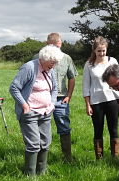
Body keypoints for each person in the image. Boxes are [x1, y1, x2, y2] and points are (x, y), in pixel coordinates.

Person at [9, 45, 64, 176]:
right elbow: (14, 88)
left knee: (45, 143)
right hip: (30, 112)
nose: (54, 66)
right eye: (52, 63)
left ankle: (42, 172)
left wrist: (51, 103)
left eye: (55, 63)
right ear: (43, 59)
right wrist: (24, 105)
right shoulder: (29, 68)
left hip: (46, 112)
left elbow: (55, 88)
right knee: (33, 144)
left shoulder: (50, 69)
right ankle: (30, 175)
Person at [33, 33, 78, 161]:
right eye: (53, 46)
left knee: (64, 126)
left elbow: (72, 77)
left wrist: (68, 95)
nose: (56, 49)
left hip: (60, 99)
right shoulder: (37, 58)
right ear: (47, 45)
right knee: (40, 126)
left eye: (58, 46)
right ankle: (40, 157)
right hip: (42, 98)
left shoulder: (67, 58)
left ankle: (67, 156)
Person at [82, 36, 119, 159]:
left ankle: (115, 156)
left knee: (114, 129)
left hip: (112, 99)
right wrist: (87, 104)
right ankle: (99, 157)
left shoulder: (112, 61)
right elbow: (86, 85)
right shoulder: (89, 65)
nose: (101, 53)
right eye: (99, 51)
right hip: (96, 102)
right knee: (98, 130)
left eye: (103, 50)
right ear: (94, 51)